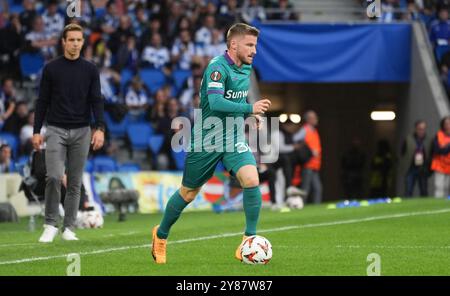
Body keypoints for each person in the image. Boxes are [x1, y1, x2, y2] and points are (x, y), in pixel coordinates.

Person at [151, 23, 271, 264]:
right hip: (207, 139)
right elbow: (216, 103)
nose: (254, 50)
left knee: (251, 179)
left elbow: (237, 98)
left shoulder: (245, 68)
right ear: (233, 45)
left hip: (233, 137)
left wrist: (251, 116)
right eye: (249, 45)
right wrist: (250, 108)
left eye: (255, 45)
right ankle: (160, 235)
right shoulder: (217, 67)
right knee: (188, 193)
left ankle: (248, 241)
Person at [32, 24, 105, 243]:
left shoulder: (91, 69)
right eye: (71, 39)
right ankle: (50, 224)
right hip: (55, 129)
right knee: (53, 176)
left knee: (74, 182)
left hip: (82, 131)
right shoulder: (51, 68)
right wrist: (37, 131)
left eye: (78, 40)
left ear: (83, 42)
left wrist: (99, 128)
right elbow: (42, 101)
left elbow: (96, 101)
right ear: (63, 42)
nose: (75, 44)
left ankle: (69, 228)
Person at [292, 110, 323, 204]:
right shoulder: (305, 130)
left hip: (315, 165)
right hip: (307, 164)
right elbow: (294, 139)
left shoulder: (314, 131)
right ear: (309, 119)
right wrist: (307, 149)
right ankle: (301, 204)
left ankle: (316, 206)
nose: (316, 119)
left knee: (317, 188)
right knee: (306, 188)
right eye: (314, 118)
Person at [401, 120, 431, 197]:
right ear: (416, 129)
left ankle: (425, 207)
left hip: (423, 169)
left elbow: (431, 154)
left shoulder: (429, 140)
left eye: (423, 129)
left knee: (424, 190)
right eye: (420, 129)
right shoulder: (408, 139)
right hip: (411, 168)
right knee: (408, 190)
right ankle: (407, 207)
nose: (421, 131)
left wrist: (429, 168)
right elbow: (402, 153)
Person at [430, 116, 450, 198]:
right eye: (446, 123)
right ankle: (438, 203)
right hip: (440, 165)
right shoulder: (438, 135)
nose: (448, 125)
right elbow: (437, 150)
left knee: (447, 187)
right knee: (439, 187)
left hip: (449, 165)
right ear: (443, 125)